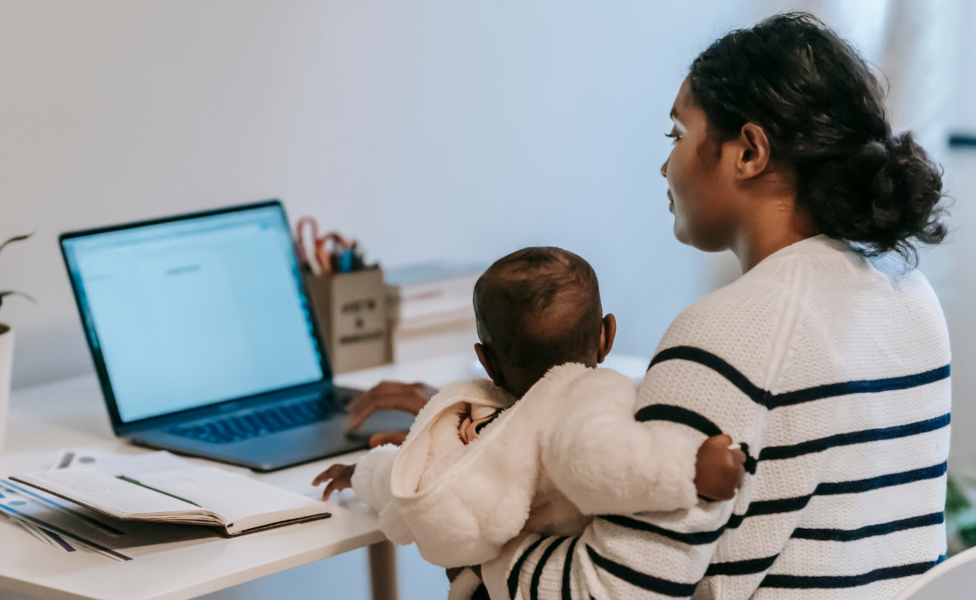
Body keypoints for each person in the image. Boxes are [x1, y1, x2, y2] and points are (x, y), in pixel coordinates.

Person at [343, 13, 951, 599]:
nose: (665, 165)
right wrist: (501, 432)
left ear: (748, 152)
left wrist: (465, 509)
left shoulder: (728, 332)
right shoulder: (906, 296)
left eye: (678, 135)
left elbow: (600, 592)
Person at [315, 247, 746, 597]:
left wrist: (361, 473)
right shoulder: (590, 399)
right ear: (607, 336)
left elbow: (414, 477)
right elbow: (606, 465)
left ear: (487, 362)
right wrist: (691, 468)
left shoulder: (476, 424)